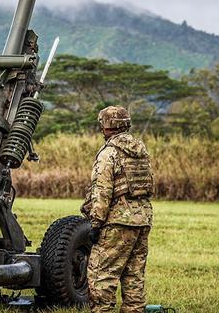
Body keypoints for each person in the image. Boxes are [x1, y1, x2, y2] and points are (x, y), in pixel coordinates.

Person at [81, 106, 154, 313]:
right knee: (134, 276)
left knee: (101, 275)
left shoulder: (109, 153)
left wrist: (95, 224)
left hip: (117, 222)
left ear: (106, 126)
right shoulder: (141, 151)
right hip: (143, 219)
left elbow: (102, 192)